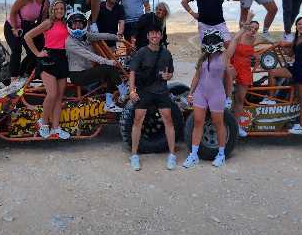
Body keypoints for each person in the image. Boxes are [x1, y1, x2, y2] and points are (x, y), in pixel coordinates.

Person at [182, 30, 240, 169]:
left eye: (212, 41)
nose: (210, 43)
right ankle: (194, 155)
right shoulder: (203, 58)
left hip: (216, 94)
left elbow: (228, 78)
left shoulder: (224, 56)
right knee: (198, 122)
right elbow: (197, 77)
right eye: (208, 41)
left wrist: (228, 96)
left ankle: (221, 155)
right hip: (200, 93)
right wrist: (191, 92)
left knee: (218, 123)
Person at [128, 24, 176, 171]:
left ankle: (172, 155)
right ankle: (134, 155)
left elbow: (171, 72)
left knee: (168, 120)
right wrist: (132, 91)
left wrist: (168, 76)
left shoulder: (166, 53)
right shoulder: (141, 52)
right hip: (144, 90)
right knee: (138, 120)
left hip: (161, 90)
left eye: (157, 33)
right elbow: (132, 72)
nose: (155, 36)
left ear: (161, 36)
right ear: (148, 36)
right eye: (152, 33)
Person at [24, 0, 70, 139]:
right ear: (52, 10)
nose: (59, 11)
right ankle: (43, 123)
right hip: (48, 60)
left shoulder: (67, 24)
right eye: (57, 9)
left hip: (62, 60)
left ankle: (56, 128)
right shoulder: (48, 23)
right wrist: (37, 53)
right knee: (52, 94)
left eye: (62, 8)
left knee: (59, 97)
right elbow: (27, 36)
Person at [65, 12, 129, 113]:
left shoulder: (85, 35)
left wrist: (116, 37)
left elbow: (100, 35)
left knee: (111, 74)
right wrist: (107, 61)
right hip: (77, 75)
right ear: (70, 25)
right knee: (109, 68)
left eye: (80, 24)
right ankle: (124, 92)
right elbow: (89, 55)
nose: (77, 27)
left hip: (86, 71)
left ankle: (109, 103)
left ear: (84, 25)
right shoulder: (70, 42)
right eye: (74, 24)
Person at [267, 17, 302, 135]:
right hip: (295, 68)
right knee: (272, 72)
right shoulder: (297, 39)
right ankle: (271, 99)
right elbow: (291, 54)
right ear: (296, 26)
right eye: (299, 24)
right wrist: (282, 46)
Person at [4, 0, 50, 83]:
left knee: (34, 50)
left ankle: (24, 72)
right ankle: (14, 77)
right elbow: (13, 11)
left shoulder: (46, 2)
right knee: (16, 50)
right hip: (12, 26)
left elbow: (42, 20)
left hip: (28, 27)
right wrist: (14, 28)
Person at [229, 14, 259, 137]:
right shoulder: (240, 35)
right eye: (252, 27)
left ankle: (237, 126)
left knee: (240, 99)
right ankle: (225, 120)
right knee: (227, 95)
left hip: (245, 70)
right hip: (234, 66)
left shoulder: (253, 39)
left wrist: (254, 69)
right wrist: (248, 18)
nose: (253, 30)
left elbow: (253, 55)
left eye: (256, 29)